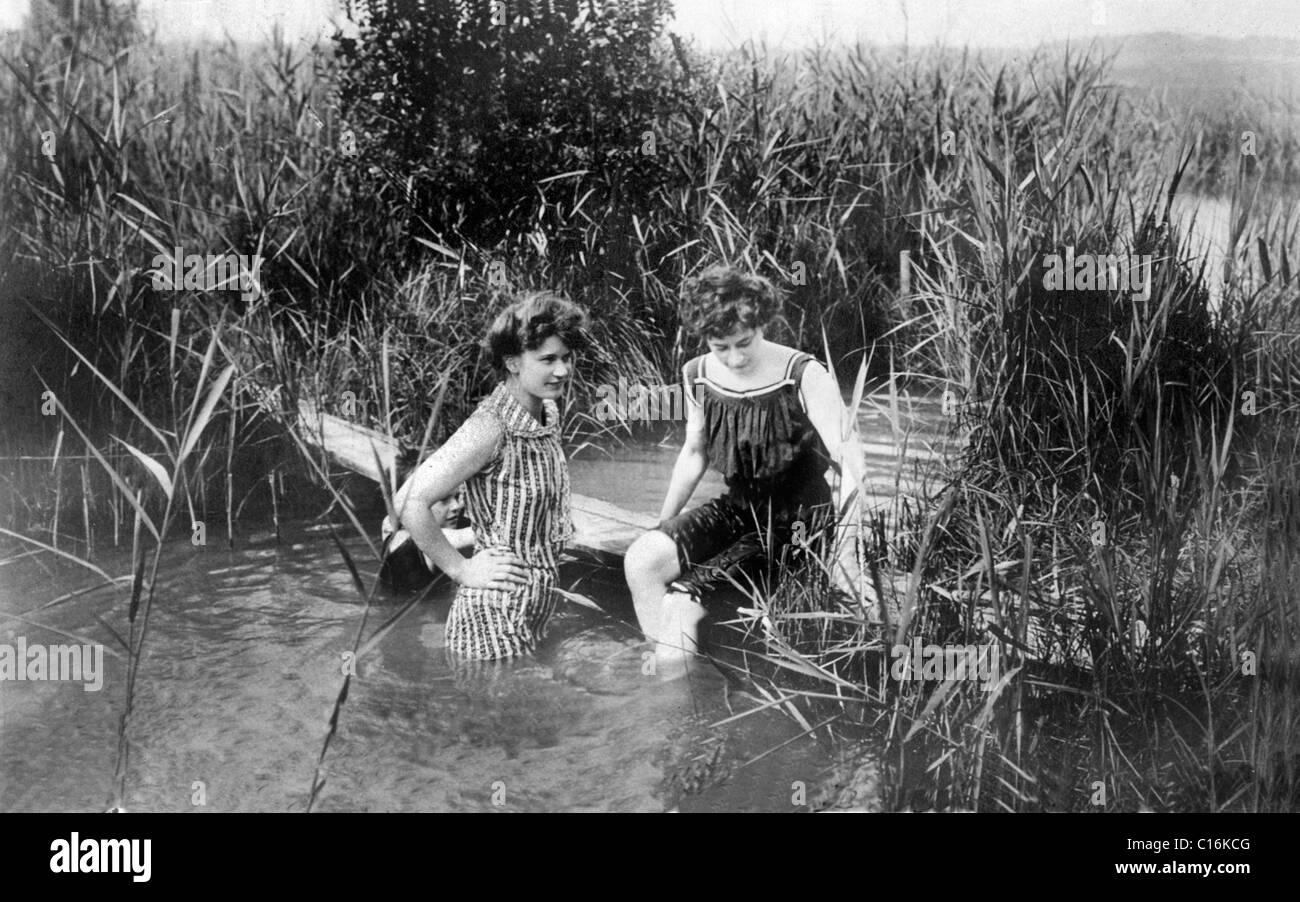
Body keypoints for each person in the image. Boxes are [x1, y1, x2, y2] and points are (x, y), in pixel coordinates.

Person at [623, 264, 867, 675]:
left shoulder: (803, 375)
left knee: (682, 603)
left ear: (762, 323)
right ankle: (673, 663)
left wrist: (846, 555)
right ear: (705, 338)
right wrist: (664, 522)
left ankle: (676, 701)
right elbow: (695, 452)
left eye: (744, 342)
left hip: (797, 526)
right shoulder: (697, 374)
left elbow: (853, 466)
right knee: (641, 560)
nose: (733, 358)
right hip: (737, 510)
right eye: (721, 346)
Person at [393, 291, 589, 661]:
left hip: (535, 608)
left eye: (566, 357)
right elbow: (408, 500)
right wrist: (461, 569)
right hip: (491, 617)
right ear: (512, 362)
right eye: (547, 359)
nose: (562, 370)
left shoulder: (547, 411)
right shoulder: (489, 426)